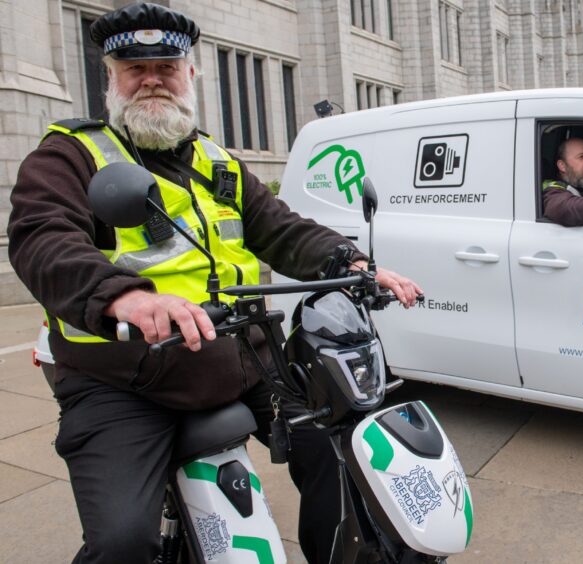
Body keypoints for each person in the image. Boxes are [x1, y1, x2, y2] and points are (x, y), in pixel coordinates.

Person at [6, 4, 422, 563]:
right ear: (110, 78)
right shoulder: (70, 156)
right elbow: (42, 236)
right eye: (135, 68)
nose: (152, 80)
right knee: (122, 542)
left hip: (240, 357)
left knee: (340, 452)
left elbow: (279, 227)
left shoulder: (216, 159)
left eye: (166, 67)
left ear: (191, 76)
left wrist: (352, 263)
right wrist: (121, 296)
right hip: (122, 378)